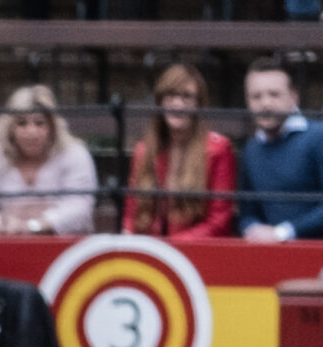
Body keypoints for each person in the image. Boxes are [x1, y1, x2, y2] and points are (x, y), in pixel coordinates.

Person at [0, 84, 97, 237]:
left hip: (64, 250)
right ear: (10, 127)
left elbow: (79, 207)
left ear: (52, 127)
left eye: (39, 123)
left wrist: (36, 226)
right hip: (4, 243)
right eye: (21, 123)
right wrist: (0, 224)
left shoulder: (74, 154)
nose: (31, 132)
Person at [124, 63, 234, 240]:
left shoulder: (218, 150)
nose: (178, 103)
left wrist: (172, 246)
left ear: (199, 104)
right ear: (160, 102)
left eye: (187, 96)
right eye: (171, 95)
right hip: (151, 253)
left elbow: (219, 223)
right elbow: (131, 216)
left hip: (199, 254)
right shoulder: (143, 150)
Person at [236, 59, 323, 244]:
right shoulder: (251, 150)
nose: (265, 103)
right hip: (272, 258)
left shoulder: (318, 137)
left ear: (294, 97)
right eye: (256, 96)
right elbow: (247, 213)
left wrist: (281, 233)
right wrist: (253, 229)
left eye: (274, 94)